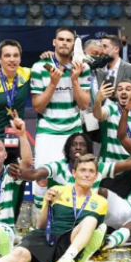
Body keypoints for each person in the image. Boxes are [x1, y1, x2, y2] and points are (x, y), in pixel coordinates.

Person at [0, 155, 108, 262]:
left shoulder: (101, 202)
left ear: (96, 176)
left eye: (91, 171)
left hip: (70, 240)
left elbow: (90, 232)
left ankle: (69, 258)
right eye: (83, 170)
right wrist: (47, 203)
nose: (87, 175)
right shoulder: (57, 191)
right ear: (74, 173)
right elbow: (41, 225)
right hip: (47, 237)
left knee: (91, 220)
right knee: (18, 254)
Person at [30, 27, 91, 213]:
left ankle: (70, 220)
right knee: (41, 178)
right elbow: (37, 106)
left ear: (73, 44)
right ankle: (39, 222)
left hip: (72, 133)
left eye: (68, 40)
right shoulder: (39, 67)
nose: (64, 43)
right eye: (61, 39)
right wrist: (53, 83)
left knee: (73, 179)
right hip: (48, 132)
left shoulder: (82, 68)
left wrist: (75, 80)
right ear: (54, 42)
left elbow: (84, 104)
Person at [0, 40, 31, 220]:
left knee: (19, 175)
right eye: (7, 56)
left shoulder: (26, 74)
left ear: (20, 58)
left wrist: (47, 56)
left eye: (15, 55)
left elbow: (51, 67)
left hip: (14, 138)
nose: (12, 59)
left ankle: (11, 221)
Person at [0, 117, 32, 261]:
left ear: (5, 155)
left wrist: (22, 135)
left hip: (4, 229)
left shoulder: (11, 173)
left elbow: (27, 163)